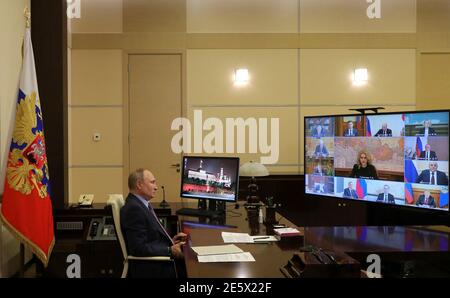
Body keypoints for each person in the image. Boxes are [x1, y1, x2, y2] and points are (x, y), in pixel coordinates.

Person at [121, 168, 187, 278]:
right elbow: (138, 248)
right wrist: (169, 249)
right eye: (152, 182)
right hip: (153, 267)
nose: (156, 187)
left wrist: (171, 241)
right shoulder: (134, 209)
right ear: (139, 184)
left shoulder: (140, 204)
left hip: (158, 262)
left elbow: (150, 238)